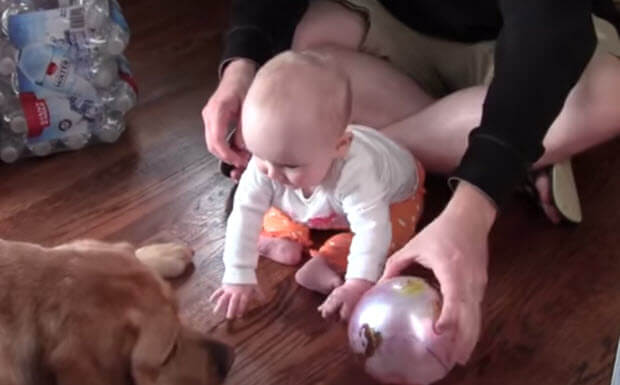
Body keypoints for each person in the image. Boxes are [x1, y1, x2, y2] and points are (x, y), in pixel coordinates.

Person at [203, 0, 620, 366]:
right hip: (402, 32)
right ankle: (514, 142)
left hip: (537, 42)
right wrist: (242, 67)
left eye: (289, 166)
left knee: (609, 92)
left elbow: (551, 24)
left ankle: (477, 144)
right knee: (298, 64)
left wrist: (472, 208)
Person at [210, 51, 426, 321]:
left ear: (339, 147)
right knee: (264, 203)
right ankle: (283, 239)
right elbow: (243, 213)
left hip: (393, 197)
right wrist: (237, 275)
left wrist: (359, 282)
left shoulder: (359, 171)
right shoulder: (271, 163)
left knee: (390, 234)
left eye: (289, 164)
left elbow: (372, 229)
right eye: (260, 156)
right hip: (324, 203)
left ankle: (327, 261)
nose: (271, 172)